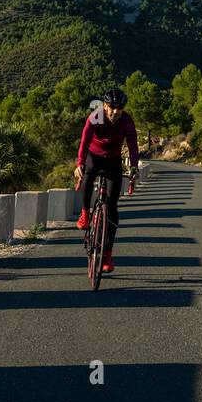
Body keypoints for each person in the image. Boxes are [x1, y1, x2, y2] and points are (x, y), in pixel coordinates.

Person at [74, 88, 139, 274]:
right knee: (87, 177)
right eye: (112, 107)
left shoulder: (127, 121)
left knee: (112, 206)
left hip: (113, 160)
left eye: (120, 108)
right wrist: (80, 163)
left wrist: (134, 167)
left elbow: (132, 144)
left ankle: (108, 253)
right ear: (104, 106)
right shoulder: (96, 117)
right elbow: (85, 139)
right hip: (94, 156)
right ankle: (85, 213)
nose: (116, 111)